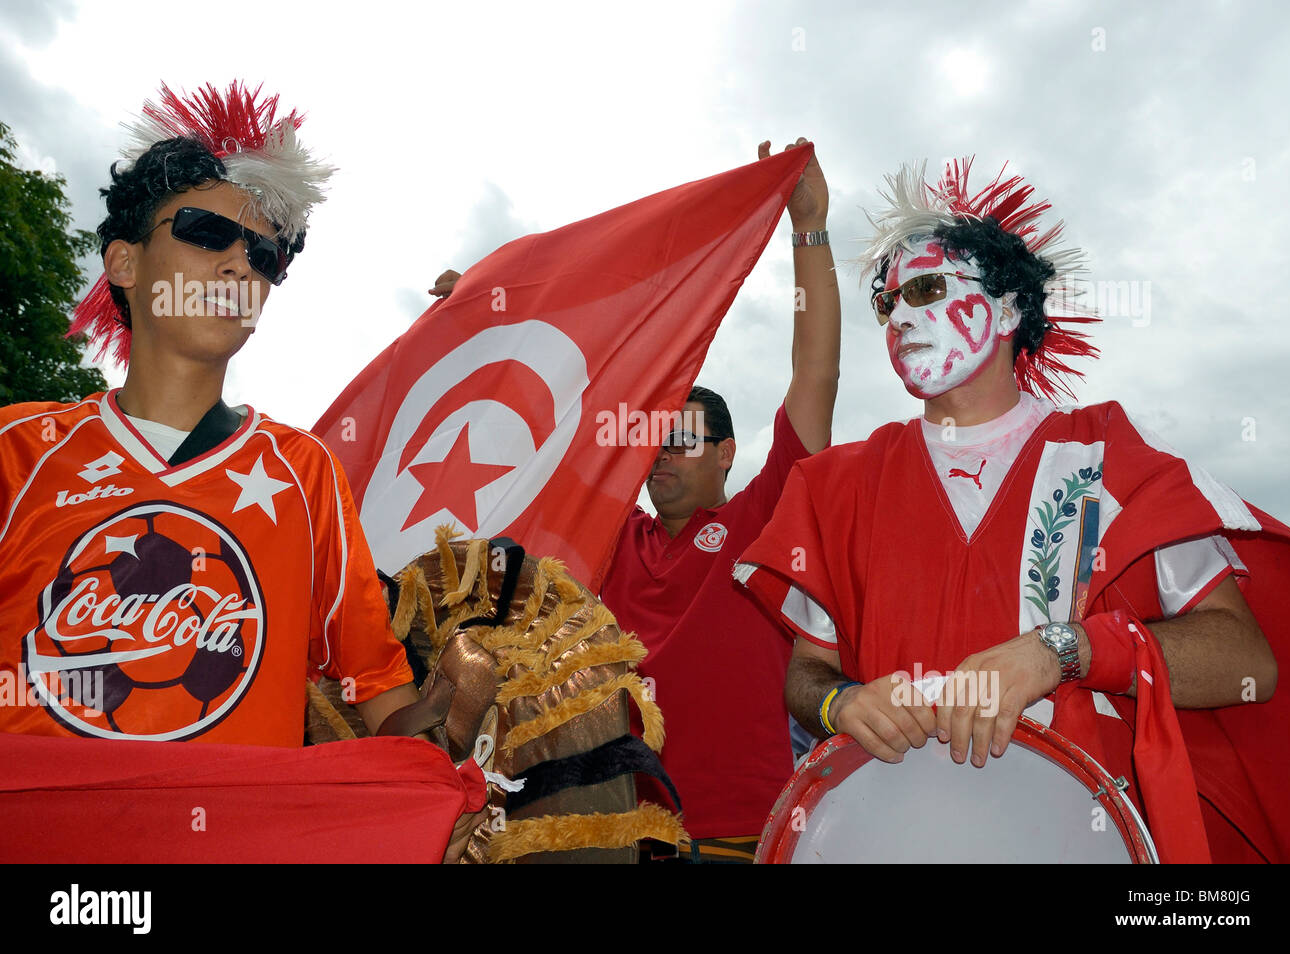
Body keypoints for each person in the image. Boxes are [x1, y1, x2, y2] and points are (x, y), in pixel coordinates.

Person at [736, 159, 1290, 863]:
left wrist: (1066, 649)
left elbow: (1247, 661)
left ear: (1005, 309)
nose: (900, 315)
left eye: (927, 288)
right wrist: (838, 705)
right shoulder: (835, 486)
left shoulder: (1112, 457)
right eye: (887, 303)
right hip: (891, 838)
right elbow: (806, 675)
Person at [0, 82, 482, 859]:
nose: (239, 262)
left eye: (265, 255)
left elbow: (381, 701)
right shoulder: (16, 452)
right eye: (204, 230)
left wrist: (452, 709)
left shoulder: (304, 473)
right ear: (123, 261)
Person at [597, 138, 841, 862]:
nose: (660, 453)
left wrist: (809, 229)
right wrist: (488, 318)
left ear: (729, 452)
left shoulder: (765, 516)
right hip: (615, 832)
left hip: (741, 834)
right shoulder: (610, 536)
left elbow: (816, 373)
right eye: (652, 440)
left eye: (683, 439)